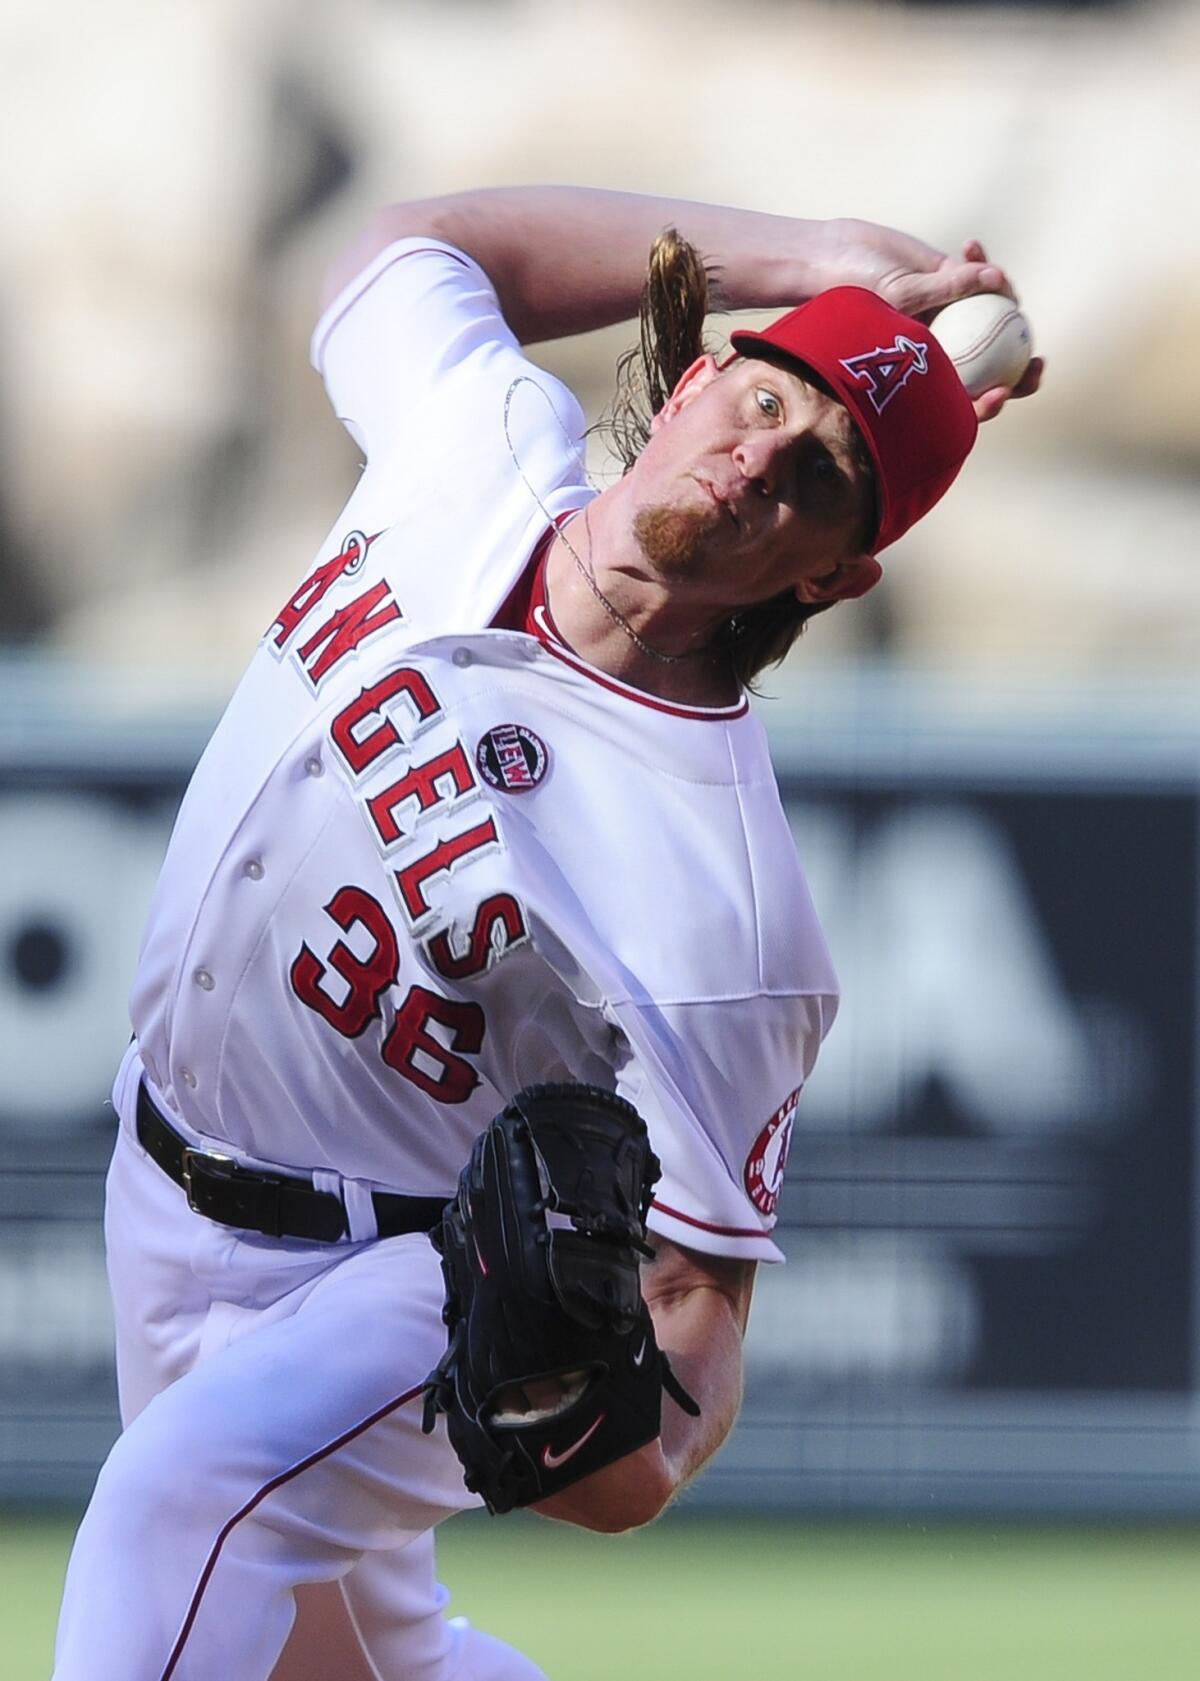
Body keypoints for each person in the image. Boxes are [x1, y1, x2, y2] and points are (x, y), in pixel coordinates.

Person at [52, 186, 1040, 1681]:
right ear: (699, 376)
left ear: (832, 574)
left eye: (819, 474)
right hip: (164, 1176)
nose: (760, 451)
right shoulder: (481, 437)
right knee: (348, 1662)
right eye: (761, 395)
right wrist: (812, 261)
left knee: (178, 1503)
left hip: (391, 1273)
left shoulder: (728, 891)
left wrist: (606, 1442)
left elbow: (699, 1330)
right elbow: (407, 254)